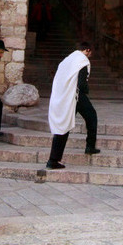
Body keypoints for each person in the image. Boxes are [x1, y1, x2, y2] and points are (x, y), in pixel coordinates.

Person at [45, 41, 99, 170]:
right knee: (92, 117)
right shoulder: (82, 61)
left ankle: (53, 159)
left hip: (64, 96)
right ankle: (89, 146)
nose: (89, 56)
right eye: (90, 53)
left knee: (64, 126)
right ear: (87, 50)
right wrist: (86, 91)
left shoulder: (67, 60)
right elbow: (82, 83)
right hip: (76, 95)